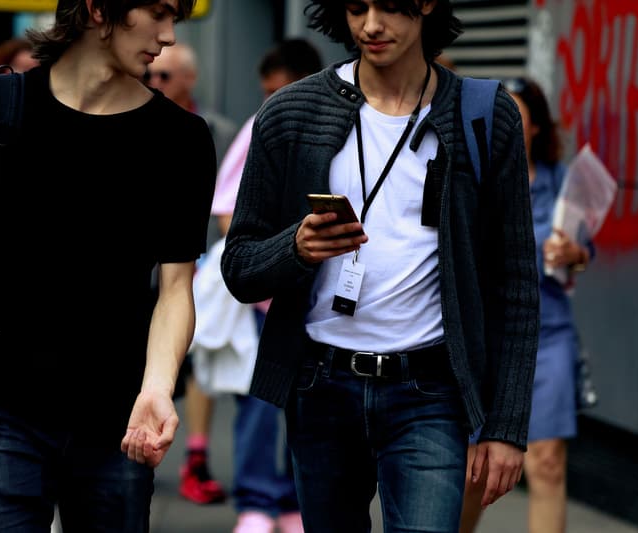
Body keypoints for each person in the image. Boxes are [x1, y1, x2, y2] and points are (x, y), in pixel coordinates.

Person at [220, 1, 540, 532]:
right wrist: (295, 248)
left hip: (431, 392)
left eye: (390, 6)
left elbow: (517, 283)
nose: (370, 25)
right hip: (320, 385)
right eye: (355, 7)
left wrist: (505, 426)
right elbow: (239, 267)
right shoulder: (290, 112)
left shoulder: (484, 114)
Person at [0, 1, 215, 531]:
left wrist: (157, 388)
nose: (166, 36)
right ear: (97, 8)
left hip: (119, 413)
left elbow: (175, 290)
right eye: (158, 13)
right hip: (3, 402)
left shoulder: (178, 138)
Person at [459, 76, 593, 533]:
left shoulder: (561, 180)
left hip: (549, 333)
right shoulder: (473, 176)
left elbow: (583, 248)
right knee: (475, 471)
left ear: (535, 127)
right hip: (485, 340)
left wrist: (573, 254)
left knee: (548, 463)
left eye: (517, 114)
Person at [207, 38, 322, 533]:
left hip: (326, 303)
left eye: (279, 91)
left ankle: (294, 503)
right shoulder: (264, 125)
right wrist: (276, 250)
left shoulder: (343, 121)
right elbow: (228, 211)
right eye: (267, 93)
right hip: (267, 299)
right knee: (258, 404)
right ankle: (256, 502)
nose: (271, 101)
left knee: (311, 406)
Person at [145, 40, 237, 505]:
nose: (155, 83)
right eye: (152, 75)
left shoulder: (217, 132)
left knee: (202, 366)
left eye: (165, 76)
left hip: (204, 270)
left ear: (189, 78)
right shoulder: (134, 125)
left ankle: (195, 460)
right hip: (147, 277)